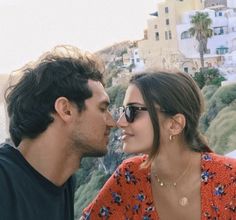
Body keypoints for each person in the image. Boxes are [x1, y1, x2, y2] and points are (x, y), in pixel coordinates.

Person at [82, 71, 236, 220]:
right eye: (123, 111)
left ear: (174, 125)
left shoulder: (230, 179)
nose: (120, 122)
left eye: (132, 111)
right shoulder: (129, 177)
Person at [0, 45, 115, 220]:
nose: (112, 122)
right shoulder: (4, 179)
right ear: (66, 110)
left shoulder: (64, 182)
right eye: (102, 108)